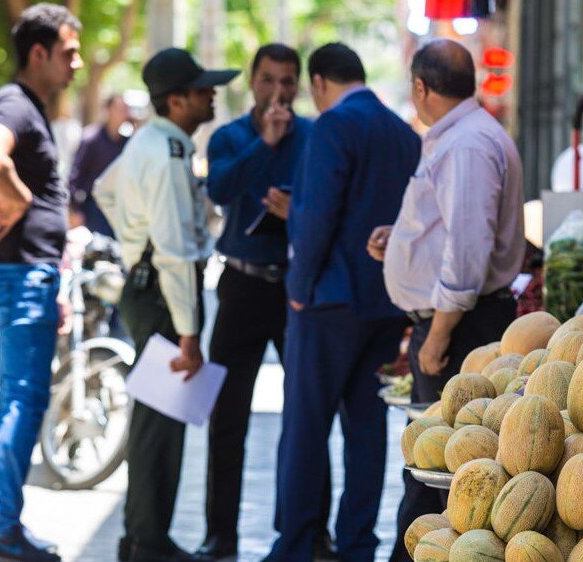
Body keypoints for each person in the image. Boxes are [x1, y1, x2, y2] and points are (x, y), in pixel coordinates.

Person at [263, 43, 421, 562]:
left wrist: (298, 288)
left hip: (327, 302)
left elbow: (317, 217)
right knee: (366, 430)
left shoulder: (332, 125)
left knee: (307, 426)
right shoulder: (403, 132)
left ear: (318, 82)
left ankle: (298, 546)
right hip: (384, 303)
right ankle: (357, 545)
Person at [368, 39, 524, 562]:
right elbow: (453, 229)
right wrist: (405, 239)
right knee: (431, 464)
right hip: (456, 321)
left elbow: (468, 250)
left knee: (440, 471)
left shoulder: (466, 145)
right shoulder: (462, 137)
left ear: (420, 87)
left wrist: (436, 337)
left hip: (461, 329)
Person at [94, 47, 239, 562]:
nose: (212, 95)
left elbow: (103, 191)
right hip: (162, 292)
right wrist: (189, 334)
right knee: (161, 422)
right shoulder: (169, 153)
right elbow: (177, 255)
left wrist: (134, 241)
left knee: (153, 420)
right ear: (176, 100)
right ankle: (150, 544)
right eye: (203, 90)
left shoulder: (151, 142)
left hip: (146, 285)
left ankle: (140, 538)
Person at [200, 44, 334, 559]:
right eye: (268, 80)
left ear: (298, 86)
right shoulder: (230, 135)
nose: (277, 91)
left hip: (296, 289)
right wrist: (263, 144)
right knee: (226, 413)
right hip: (239, 285)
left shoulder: (316, 135)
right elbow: (218, 189)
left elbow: (327, 202)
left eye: (287, 82)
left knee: (306, 414)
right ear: (253, 82)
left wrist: (295, 211)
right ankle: (221, 534)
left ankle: (306, 531)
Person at [0, 3, 82, 562]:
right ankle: (0, 527)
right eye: (68, 52)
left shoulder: (27, 107)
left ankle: (0, 523)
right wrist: (19, 198)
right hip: (21, 275)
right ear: (37, 52)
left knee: (18, 398)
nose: (77, 64)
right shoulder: (13, 104)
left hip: (30, 275)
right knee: (21, 398)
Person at [69, 94, 131, 237]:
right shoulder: (91, 139)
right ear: (108, 110)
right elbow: (75, 176)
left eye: (126, 109)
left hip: (119, 208)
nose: (124, 113)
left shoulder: (128, 143)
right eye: (119, 109)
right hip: (93, 208)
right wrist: (75, 210)